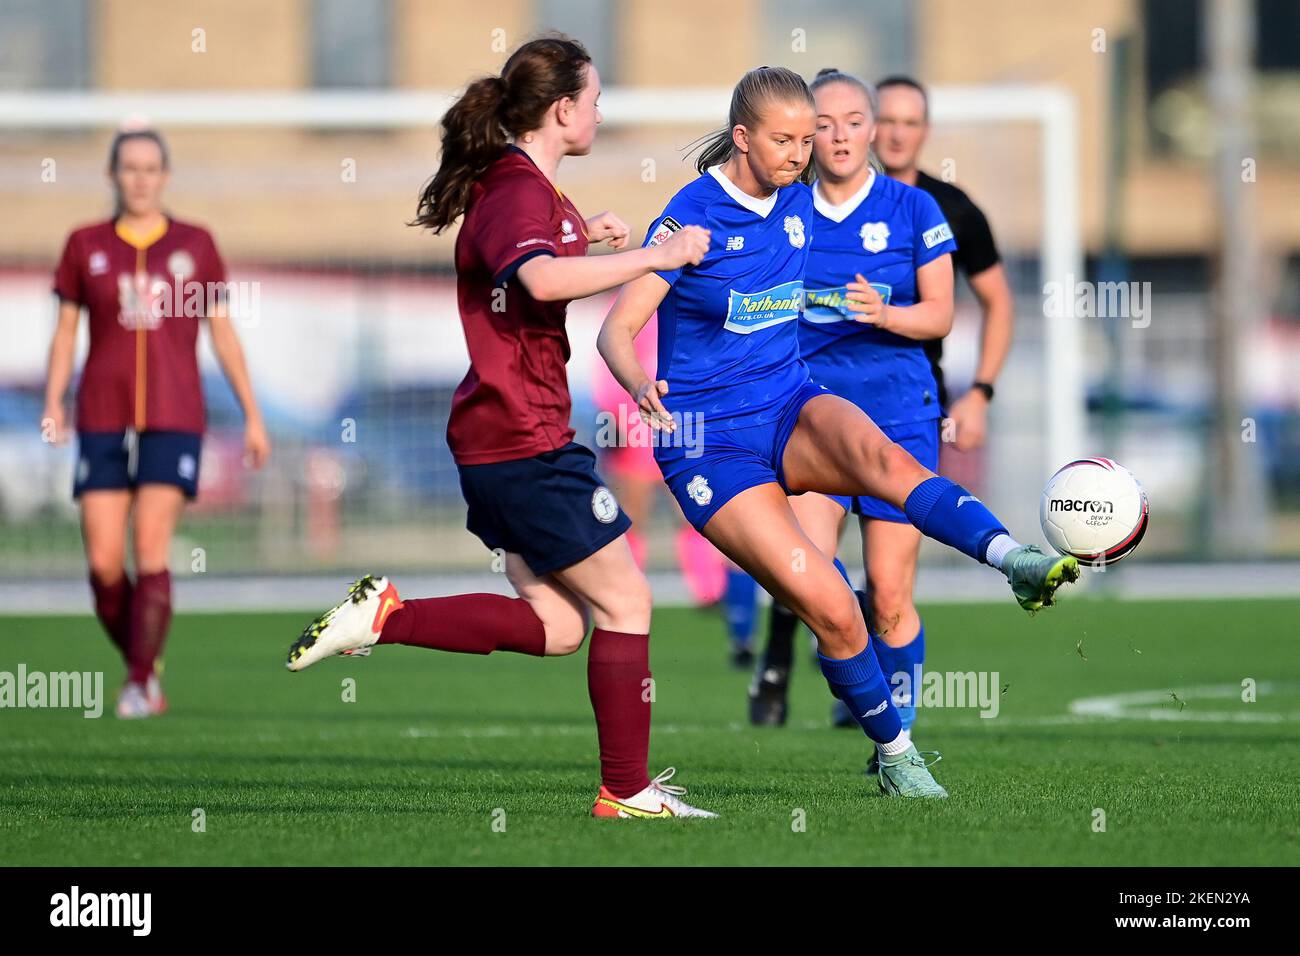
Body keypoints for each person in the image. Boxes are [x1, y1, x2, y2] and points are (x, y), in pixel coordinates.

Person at [599, 66, 1078, 799]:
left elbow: (884, 210)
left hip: (789, 401)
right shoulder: (692, 219)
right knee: (827, 603)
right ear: (742, 138)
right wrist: (638, 384)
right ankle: (895, 750)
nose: (803, 152)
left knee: (883, 460)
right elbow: (616, 331)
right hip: (709, 441)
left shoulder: (800, 199)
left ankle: (1012, 558)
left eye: (809, 136)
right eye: (786, 139)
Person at [283, 35, 714, 820]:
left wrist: (595, 238)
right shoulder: (516, 190)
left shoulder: (524, 190)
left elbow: (538, 270)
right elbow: (540, 275)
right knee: (629, 603)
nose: (600, 111)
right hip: (526, 439)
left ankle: (385, 616)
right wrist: (659, 253)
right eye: (593, 99)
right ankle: (626, 791)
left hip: (502, 440)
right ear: (562, 110)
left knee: (556, 627)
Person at [746, 70, 953, 764]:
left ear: (873, 129)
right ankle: (862, 695)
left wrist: (883, 312)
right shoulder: (783, 210)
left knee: (890, 596)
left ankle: (899, 735)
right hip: (810, 421)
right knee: (811, 576)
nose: (840, 137)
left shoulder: (913, 209)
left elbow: (943, 313)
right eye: (824, 124)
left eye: (854, 121)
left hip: (898, 416)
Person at [45, 125, 271, 719]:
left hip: (174, 414)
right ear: (112, 175)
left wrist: (252, 414)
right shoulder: (83, 244)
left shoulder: (195, 245)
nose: (140, 179)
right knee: (100, 562)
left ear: (165, 176)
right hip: (100, 413)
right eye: (129, 168)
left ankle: (140, 682)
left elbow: (222, 331)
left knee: (150, 547)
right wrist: (51, 402)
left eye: (150, 169)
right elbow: (66, 331)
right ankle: (143, 662)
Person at [874, 75, 1015, 457]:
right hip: (826, 394)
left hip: (911, 401)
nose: (897, 135)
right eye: (887, 121)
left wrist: (979, 394)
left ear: (926, 131)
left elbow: (998, 301)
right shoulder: (814, 201)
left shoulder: (951, 207)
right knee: (809, 518)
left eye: (910, 123)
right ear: (866, 125)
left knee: (902, 515)